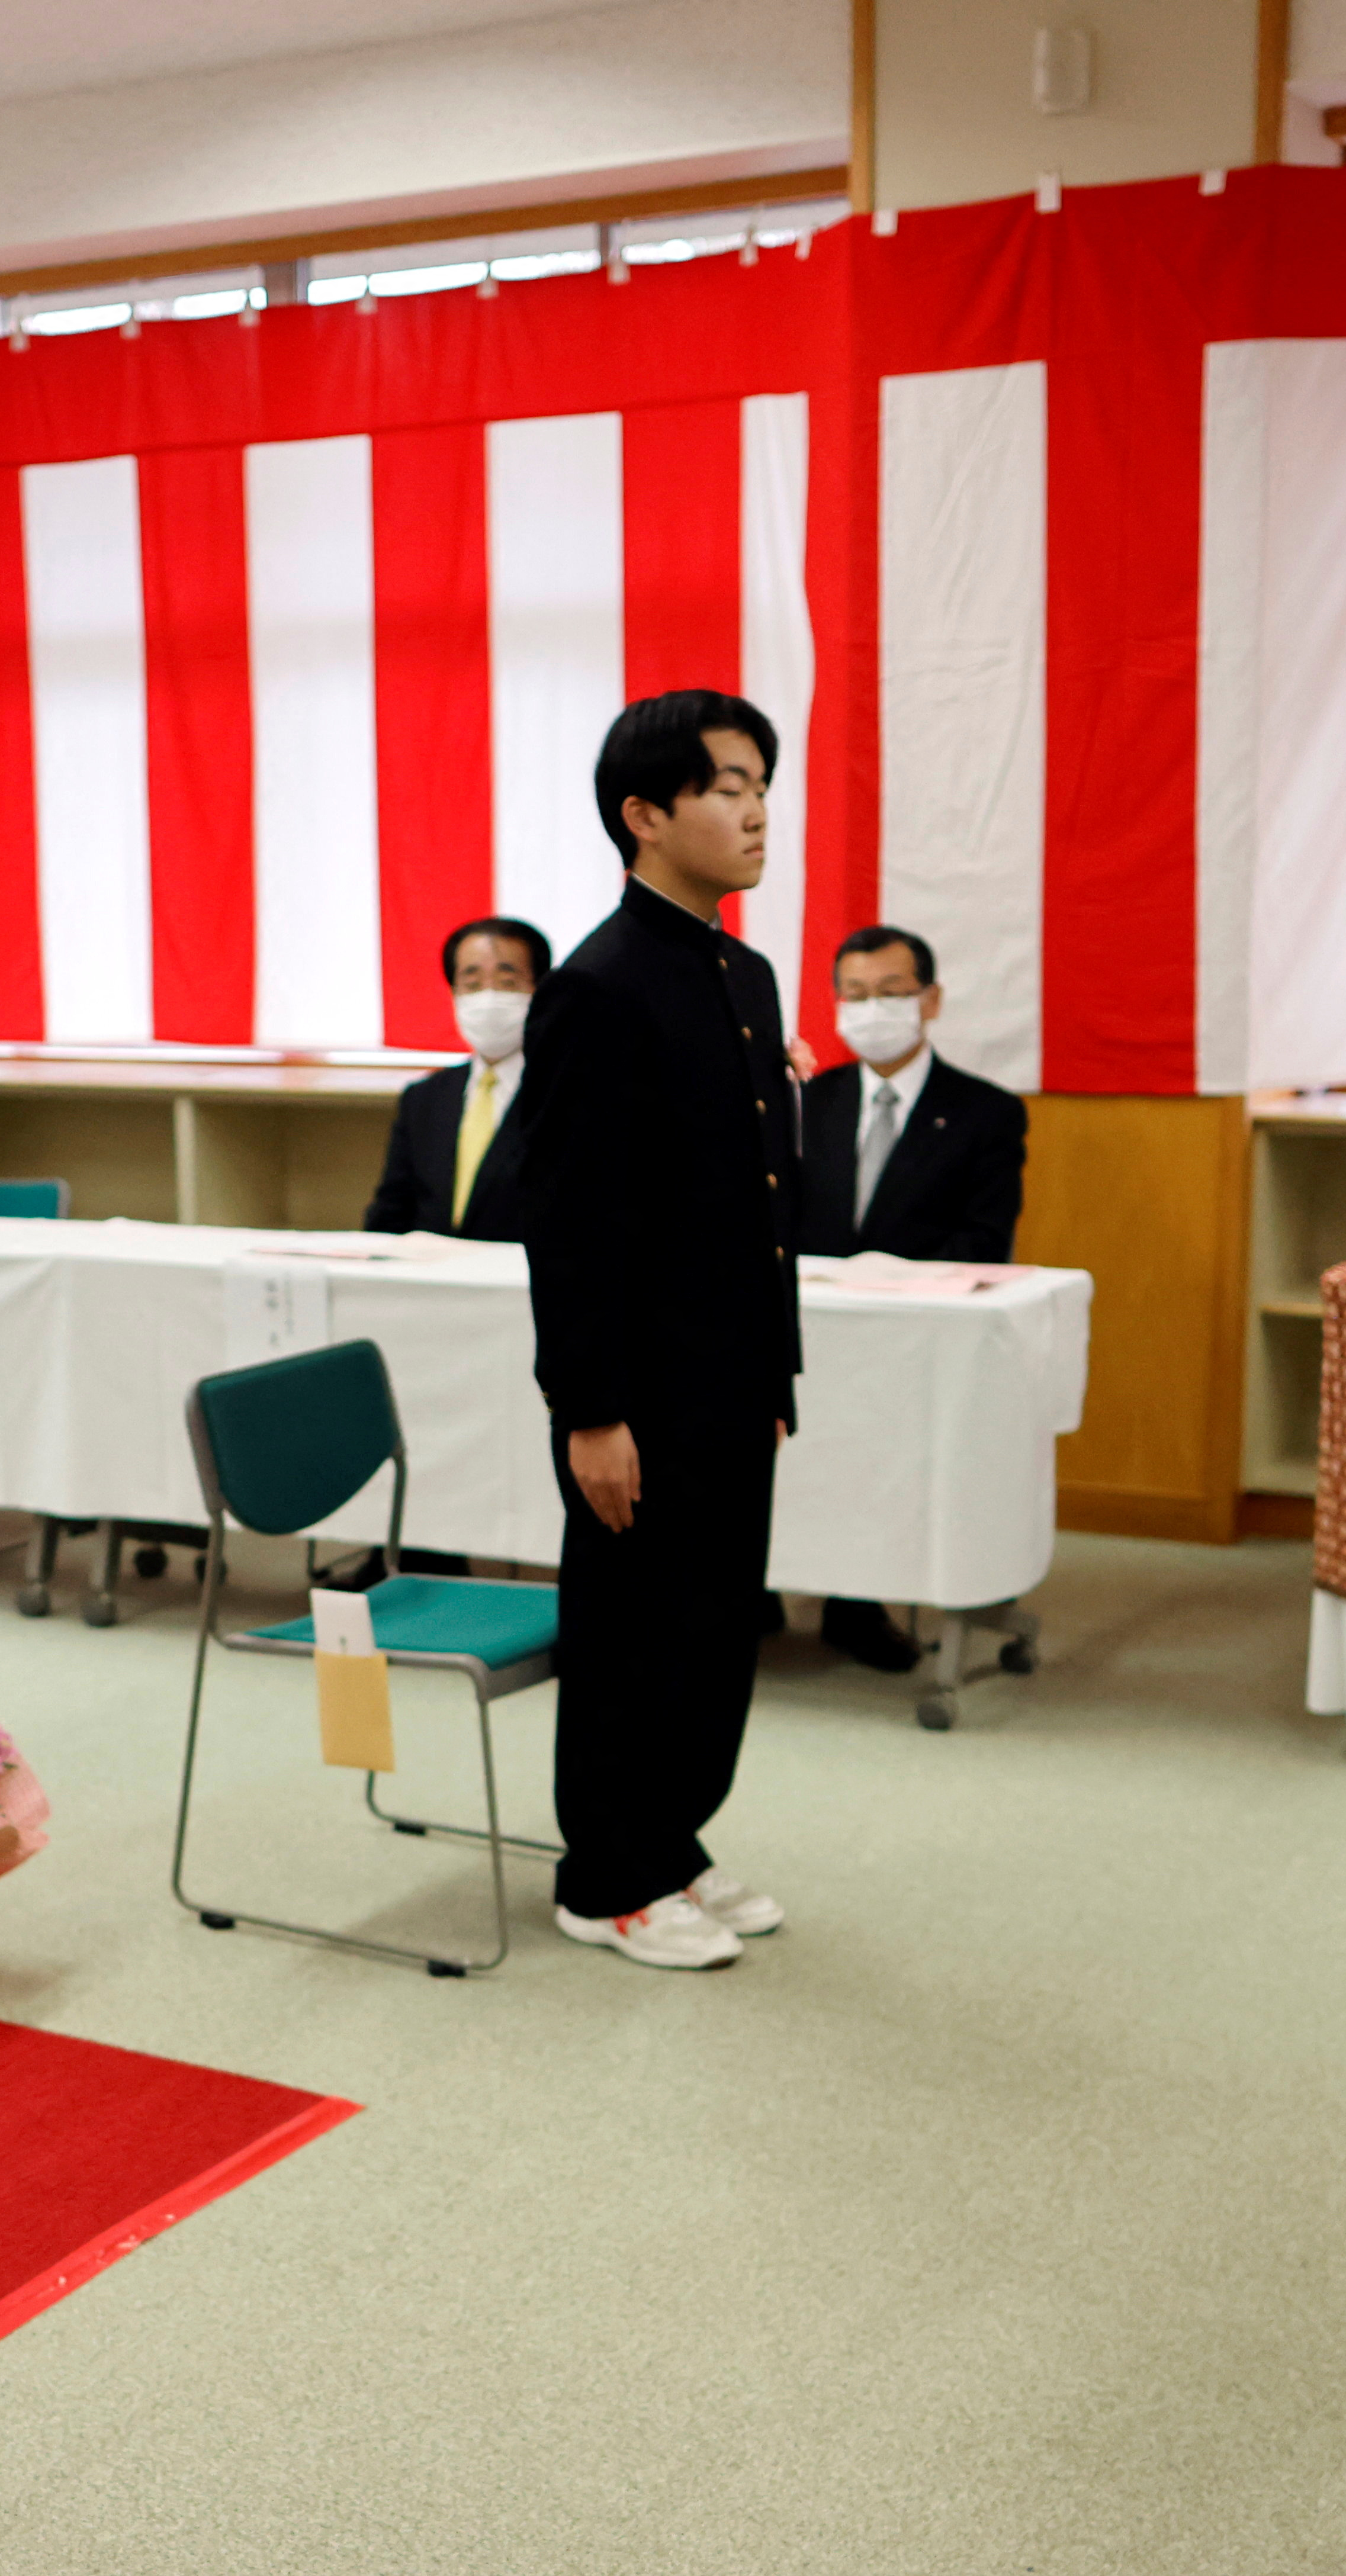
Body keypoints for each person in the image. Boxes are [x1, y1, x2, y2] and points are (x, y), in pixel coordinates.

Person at [502, 690, 798, 1974]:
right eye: (728, 785)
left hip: (737, 1376)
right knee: (632, 1630)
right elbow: (568, 1224)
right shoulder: (599, 988)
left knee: (716, 1625)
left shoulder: (743, 974)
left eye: (762, 787)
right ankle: (604, 1873)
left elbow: (761, 1203)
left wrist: (776, 1366)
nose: (755, 811)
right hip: (643, 1390)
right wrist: (591, 1409)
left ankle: (671, 1840)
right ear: (645, 814)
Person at [796, 922, 1030, 1673]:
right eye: (855, 995)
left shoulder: (986, 1112)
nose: (872, 1009)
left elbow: (985, 1242)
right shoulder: (805, 1100)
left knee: (882, 1465)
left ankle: (859, 1605)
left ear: (929, 1000)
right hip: (805, 1330)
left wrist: (882, 1281)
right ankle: (764, 1590)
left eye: (891, 993)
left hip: (913, 1340)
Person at [362, 917, 546, 1238]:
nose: (488, 998)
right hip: (432, 1280)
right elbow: (390, 1214)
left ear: (540, 989)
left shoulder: (567, 1093)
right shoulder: (424, 1098)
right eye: (472, 985)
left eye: (507, 982)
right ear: (454, 993)